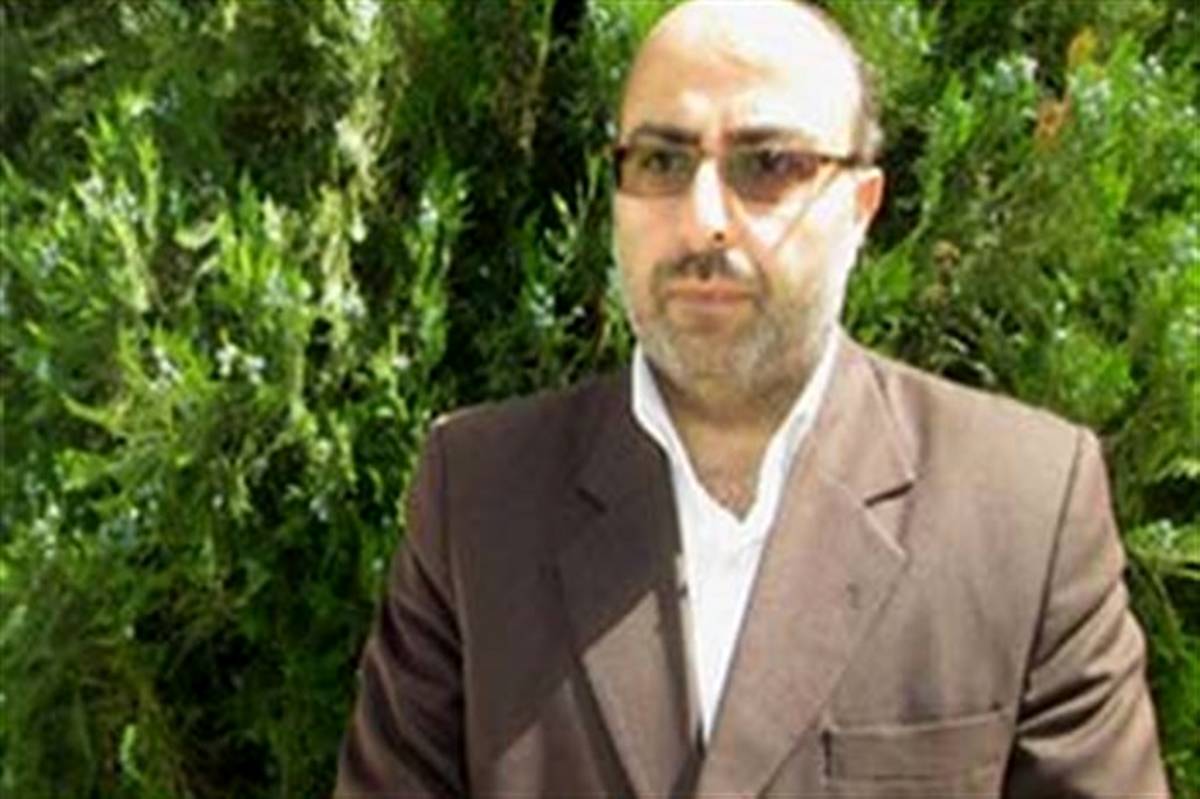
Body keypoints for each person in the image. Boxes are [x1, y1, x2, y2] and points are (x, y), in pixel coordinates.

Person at [334, 1, 1170, 796]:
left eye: (768, 165)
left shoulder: (1024, 508)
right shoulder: (481, 495)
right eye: (662, 161)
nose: (704, 219)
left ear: (860, 208)